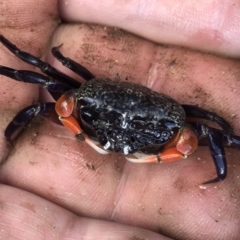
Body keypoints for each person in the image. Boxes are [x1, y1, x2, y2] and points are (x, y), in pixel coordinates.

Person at [0, 1, 239, 239]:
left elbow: (204, 132)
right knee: (41, 91)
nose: (120, 139)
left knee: (220, 136)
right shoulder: (78, 99)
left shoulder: (181, 129)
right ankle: (7, 135)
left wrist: (218, 127)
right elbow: (38, 69)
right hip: (98, 99)